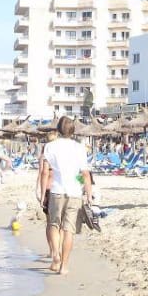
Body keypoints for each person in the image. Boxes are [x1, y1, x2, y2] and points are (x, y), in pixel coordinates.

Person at [38, 116, 92, 275]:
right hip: (74, 192)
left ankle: (55, 254)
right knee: (68, 230)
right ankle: (64, 266)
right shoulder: (79, 148)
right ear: (73, 130)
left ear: (58, 129)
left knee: (54, 224)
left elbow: (44, 172)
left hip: (56, 190)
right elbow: (84, 174)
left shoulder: (50, 147)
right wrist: (88, 193)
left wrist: (42, 193)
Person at [36, 130, 60, 262]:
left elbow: (42, 174)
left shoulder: (45, 155)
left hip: (49, 190)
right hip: (62, 190)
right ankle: (57, 251)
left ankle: (52, 251)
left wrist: (40, 192)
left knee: (50, 223)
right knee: (59, 223)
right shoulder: (62, 154)